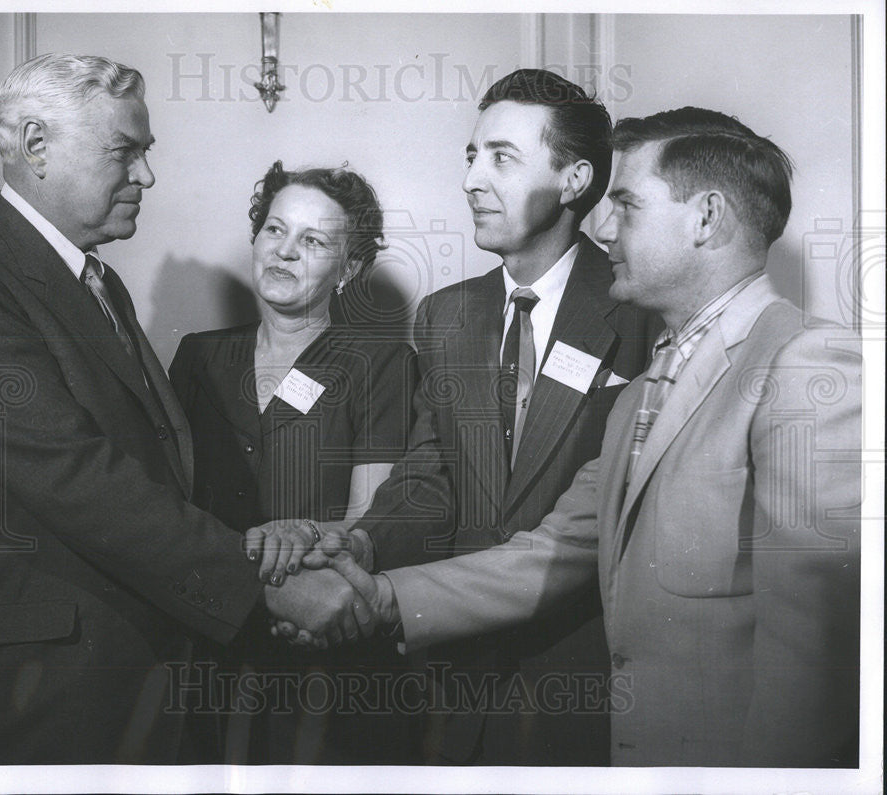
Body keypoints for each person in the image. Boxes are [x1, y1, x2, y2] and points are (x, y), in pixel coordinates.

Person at [317, 107, 862, 768]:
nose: (602, 227)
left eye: (627, 204)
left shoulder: (804, 361)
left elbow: (819, 658)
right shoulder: (645, 388)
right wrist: (382, 599)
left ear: (707, 217)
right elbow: (556, 549)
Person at [0, 53, 370, 764]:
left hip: (127, 677)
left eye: (145, 153)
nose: (147, 175)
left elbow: (149, 471)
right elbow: (75, 475)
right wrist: (262, 586)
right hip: (35, 695)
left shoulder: (101, 282)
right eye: (126, 151)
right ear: (36, 146)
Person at [258, 68, 661, 765]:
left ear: (573, 181)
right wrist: (357, 550)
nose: (473, 178)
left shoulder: (642, 311)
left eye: (502, 157)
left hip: (585, 682)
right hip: (454, 682)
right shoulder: (448, 315)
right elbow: (428, 478)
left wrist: (371, 595)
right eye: (472, 156)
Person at [168, 161, 418, 763]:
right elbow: (169, 504)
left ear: (349, 268)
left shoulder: (380, 363)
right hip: (209, 632)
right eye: (274, 231)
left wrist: (297, 570)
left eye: (313, 241)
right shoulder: (199, 358)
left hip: (323, 638)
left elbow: (369, 519)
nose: (284, 252)